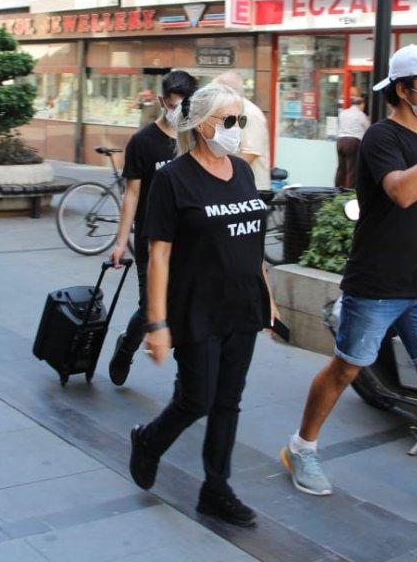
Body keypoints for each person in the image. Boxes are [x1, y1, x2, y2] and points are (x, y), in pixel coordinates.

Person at [278, 45, 417, 522]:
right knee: (347, 368)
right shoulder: (381, 138)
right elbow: (401, 191)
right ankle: (301, 447)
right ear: (403, 90)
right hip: (376, 284)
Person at [128, 82, 279, 527]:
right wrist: (156, 324)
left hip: (242, 306)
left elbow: (253, 245)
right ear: (199, 124)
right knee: (197, 398)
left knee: (229, 400)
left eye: (241, 121)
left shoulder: (242, 171)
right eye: (227, 121)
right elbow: (158, 254)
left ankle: (217, 488)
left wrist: (267, 299)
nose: (235, 130)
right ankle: (150, 441)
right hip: (196, 307)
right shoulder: (173, 179)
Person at [107, 69, 199, 386]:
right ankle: (126, 349)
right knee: (150, 306)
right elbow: (132, 193)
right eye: (175, 106)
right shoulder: (143, 142)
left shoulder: (197, 139)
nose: (181, 114)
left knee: (183, 300)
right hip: (151, 235)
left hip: (188, 238)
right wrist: (120, 242)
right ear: (162, 101)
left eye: (187, 107)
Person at [214, 71, 270, 190]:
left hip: (252, 188)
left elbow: (250, 154)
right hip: (236, 184)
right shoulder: (230, 110)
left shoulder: (250, 113)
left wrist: (219, 174)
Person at [335, 95, 370, 188]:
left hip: (340, 141)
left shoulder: (343, 113)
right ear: (361, 105)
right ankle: (349, 192)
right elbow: (368, 129)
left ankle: (336, 189)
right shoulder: (361, 115)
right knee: (351, 169)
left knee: (340, 168)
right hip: (352, 142)